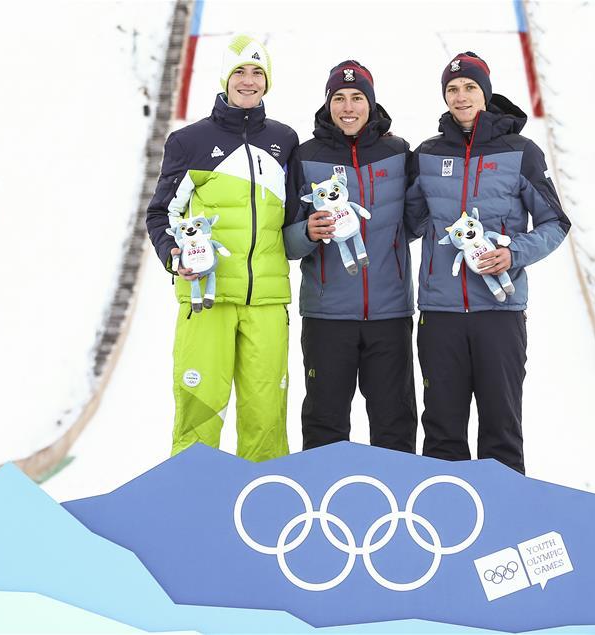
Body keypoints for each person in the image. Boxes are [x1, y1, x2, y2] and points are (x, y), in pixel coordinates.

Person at [405, 52, 571, 473]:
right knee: (442, 432)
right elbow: (409, 223)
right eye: (452, 89)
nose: (461, 97)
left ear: (485, 92)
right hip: (440, 313)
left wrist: (513, 252)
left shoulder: (521, 152)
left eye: (469, 88)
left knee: (501, 430)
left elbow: (555, 222)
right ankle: (443, 528)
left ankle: (506, 524)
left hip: (499, 313)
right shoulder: (426, 154)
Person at [145, 34, 298, 460]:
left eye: (257, 73)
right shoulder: (189, 142)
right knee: (199, 407)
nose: (248, 82)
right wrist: (173, 256)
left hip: (266, 299)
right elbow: (160, 214)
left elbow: (293, 219)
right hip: (205, 297)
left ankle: (266, 510)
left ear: (267, 82)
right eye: (240, 73)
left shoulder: (285, 142)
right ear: (225, 79)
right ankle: (190, 505)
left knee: (266, 415)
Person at [284, 60, 420, 452]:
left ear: (371, 103)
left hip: (389, 314)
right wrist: (307, 232)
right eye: (339, 98)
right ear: (328, 104)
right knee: (324, 424)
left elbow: (412, 223)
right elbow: (288, 243)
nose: (348, 107)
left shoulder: (398, 152)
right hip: (328, 316)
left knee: (394, 424)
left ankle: (395, 508)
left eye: (357, 98)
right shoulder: (305, 156)